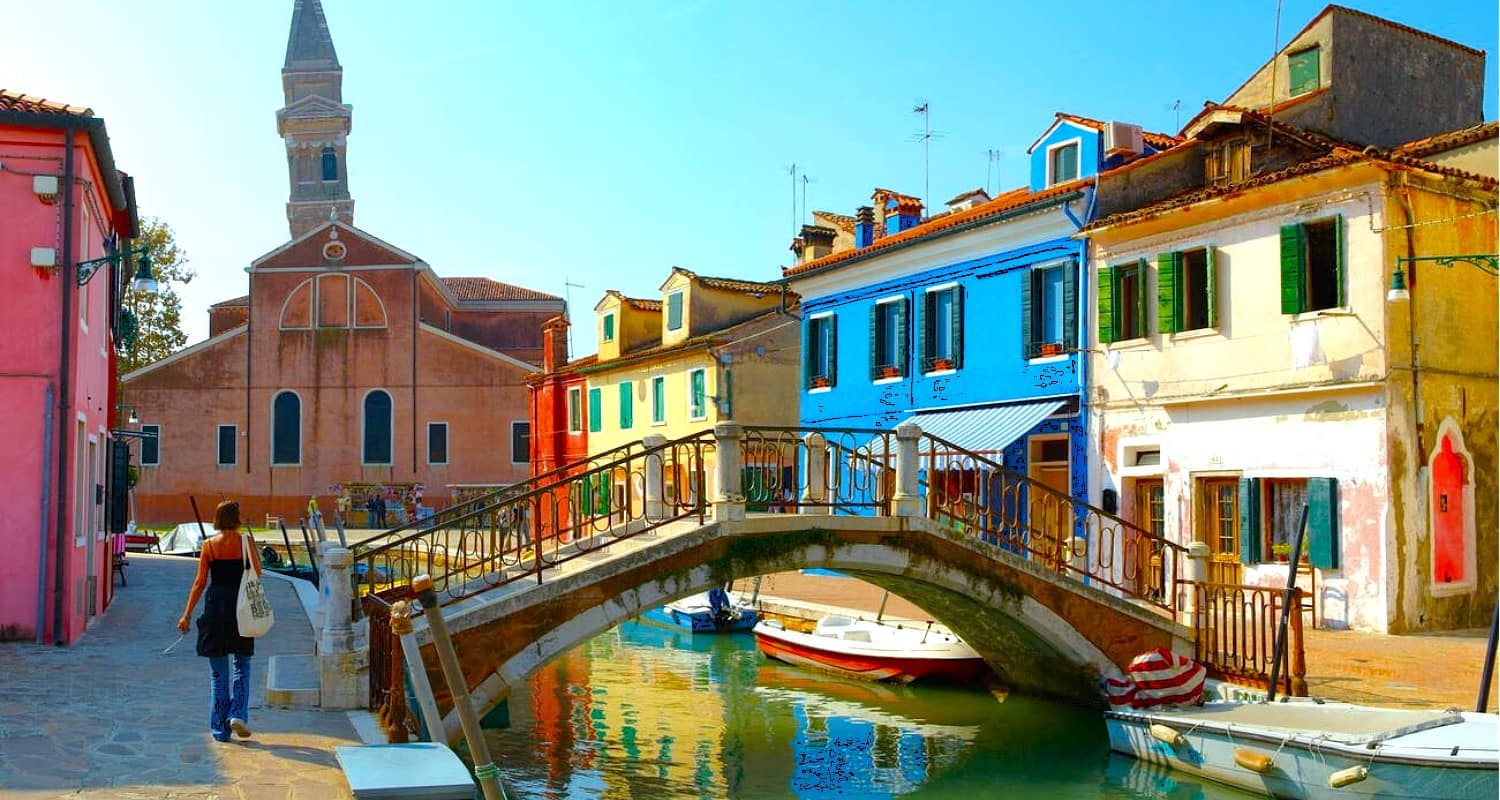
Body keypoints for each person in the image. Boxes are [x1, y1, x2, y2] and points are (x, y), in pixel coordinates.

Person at [177, 500, 264, 743]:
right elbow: (257, 573)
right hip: (240, 608)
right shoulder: (245, 542)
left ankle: (220, 730)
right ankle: (237, 714)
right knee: (242, 665)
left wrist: (186, 615)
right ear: (236, 518)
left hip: (215, 608)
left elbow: (199, 583)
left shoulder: (209, 546)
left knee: (218, 675)